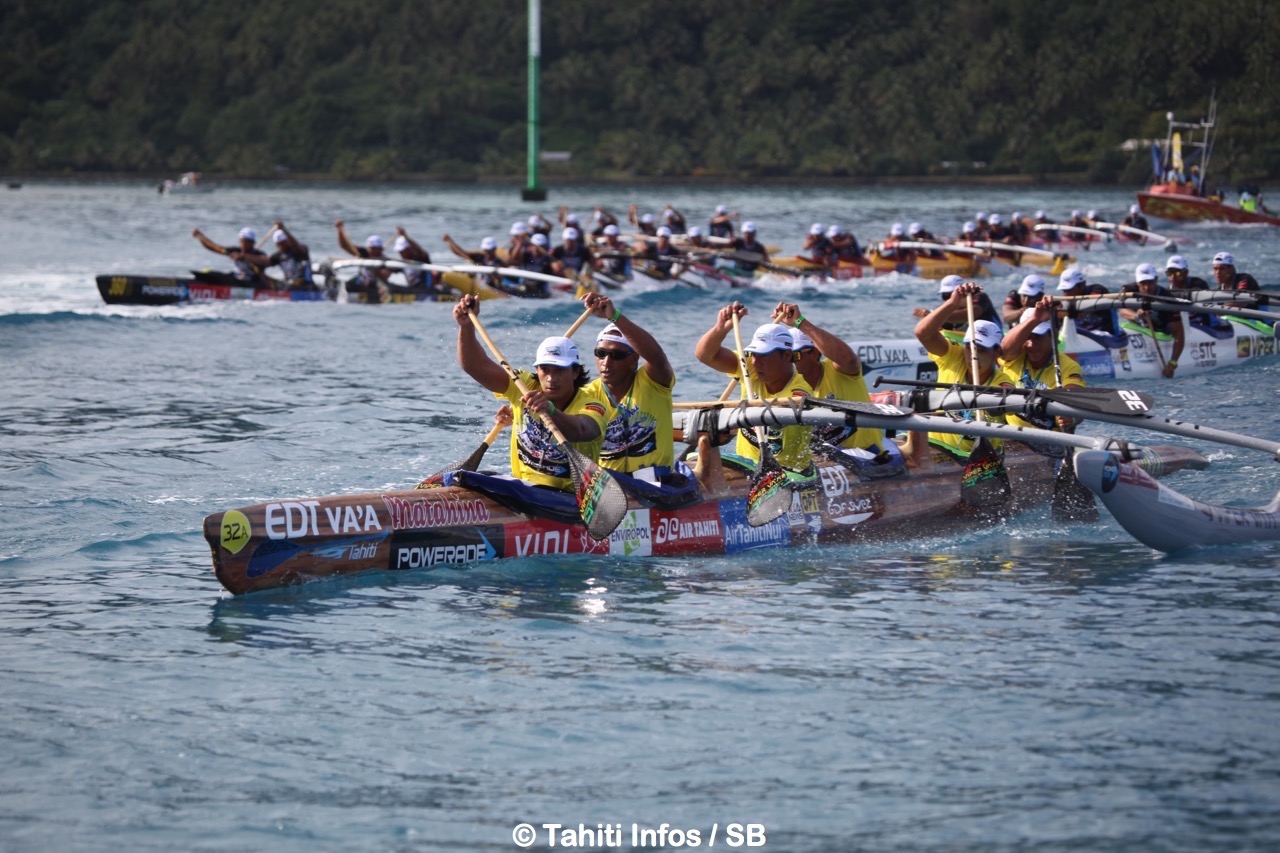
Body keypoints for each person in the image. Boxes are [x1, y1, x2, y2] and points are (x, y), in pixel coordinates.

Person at [452, 294, 612, 491]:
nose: (551, 378)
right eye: (545, 369)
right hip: (523, 489)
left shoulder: (593, 404)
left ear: (575, 372)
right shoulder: (523, 386)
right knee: (465, 479)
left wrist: (551, 410)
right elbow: (476, 366)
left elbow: (582, 430)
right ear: (537, 370)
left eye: (560, 371)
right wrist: (466, 328)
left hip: (568, 497)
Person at [694, 303, 814, 474]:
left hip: (788, 471)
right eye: (754, 354)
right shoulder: (748, 368)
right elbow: (704, 355)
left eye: (764, 355)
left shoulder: (799, 391)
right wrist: (721, 328)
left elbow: (784, 413)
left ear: (787, 355)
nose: (756, 362)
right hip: (745, 466)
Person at [773, 301, 889, 461]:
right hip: (825, 461)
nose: (789, 362)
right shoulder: (789, 387)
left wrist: (800, 322)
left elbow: (849, 360)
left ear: (814, 354)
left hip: (867, 457)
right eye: (786, 356)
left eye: (795, 356)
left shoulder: (839, 370)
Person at [580, 292, 677, 478]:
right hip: (610, 486)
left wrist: (614, 317)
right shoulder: (585, 395)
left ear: (634, 359)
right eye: (600, 353)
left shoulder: (653, 382)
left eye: (616, 355)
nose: (606, 363)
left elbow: (656, 356)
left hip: (656, 482)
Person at [913, 282, 1006, 461]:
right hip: (937, 447)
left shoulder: (1002, 381)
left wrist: (995, 403)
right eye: (969, 347)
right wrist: (953, 302)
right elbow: (922, 333)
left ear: (997, 352)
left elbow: (1004, 401)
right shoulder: (953, 355)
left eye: (982, 350)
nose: (974, 355)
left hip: (974, 458)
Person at [997, 300, 1086, 430]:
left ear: (1052, 336)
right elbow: (1003, 350)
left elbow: (1078, 400)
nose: (1031, 344)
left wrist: (1072, 417)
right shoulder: (1014, 355)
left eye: (1038, 337)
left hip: (1048, 440)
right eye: (1028, 337)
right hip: (1012, 434)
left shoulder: (1068, 366)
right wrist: (1035, 319)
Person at [1119, 262, 1185, 378]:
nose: (1147, 287)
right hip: (1139, 325)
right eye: (1143, 283)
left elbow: (1179, 334)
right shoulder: (1128, 290)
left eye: (1150, 283)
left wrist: (1172, 363)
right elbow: (1122, 311)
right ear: (1137, 282)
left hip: (1161, 329)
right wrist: (1136, 316)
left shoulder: (1167, 298)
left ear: (1157, 280)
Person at [913, 274, 1002, 332]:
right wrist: (927, 319)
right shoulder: (947, 312)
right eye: (945, 296)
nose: (950, 299)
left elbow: (967, 314)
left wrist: (933, 315)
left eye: (952, 295)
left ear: (962, 293)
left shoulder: (979, 298)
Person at [1056, 267, 1120, 344]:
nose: (1066, 294)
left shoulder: (1098, 290)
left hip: (1105, 334)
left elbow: (1094, 299)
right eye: (1064, 290)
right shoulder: (1066, 301)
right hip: (1079, 334)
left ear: (1082, 285)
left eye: (1070, 289)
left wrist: (1070, 307)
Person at [191, 226, 270, 285]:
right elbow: (214, 247)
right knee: (208, 272)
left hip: (252, 282)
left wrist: (243, 256)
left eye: (246, 242)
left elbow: (266, 261)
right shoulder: (235, 251)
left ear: (252, 243)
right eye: (242, 241)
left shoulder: (259, 254)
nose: (243, 244)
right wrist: (199, 235)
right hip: (235, 277)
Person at [334, 220, 391, 300]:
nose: (371, 251)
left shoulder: (386, 261)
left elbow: (384, 277)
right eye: (370, 248)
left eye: (375, 249)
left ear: (381, 249)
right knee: (345, 285)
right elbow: (345, 246)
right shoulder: (364, 253)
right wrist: (339, 230)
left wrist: (372, 266)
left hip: (376, 286)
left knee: (379, 288)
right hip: (361, 283)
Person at [263, 221, 314, 290]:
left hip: (306, 286)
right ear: (276, 244)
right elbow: (265, 261)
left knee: (289, 286)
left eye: (283, 243)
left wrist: (284, 230)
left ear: (287, 241)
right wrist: (247, 257)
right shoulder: (278, 255)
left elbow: (296, 246)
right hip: (289, 284)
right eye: (279, 244)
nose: (281, 246)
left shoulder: (300, 250)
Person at [391, 227, 441, 293]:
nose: (401, 253)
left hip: (427, 290)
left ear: (409, 249)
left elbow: (419, 250)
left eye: (403, 251)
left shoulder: (421, 258)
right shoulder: (402, 263)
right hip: (413, 290)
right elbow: (387, 270)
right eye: (399, 251)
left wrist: (405, 236)